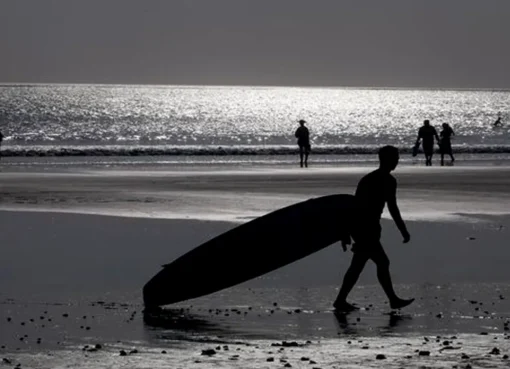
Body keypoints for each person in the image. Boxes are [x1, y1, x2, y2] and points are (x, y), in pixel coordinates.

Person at [333, 145, 414, 312]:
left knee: (359, 265)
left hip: (365, 227)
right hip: (365, 227)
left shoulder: (374, 179)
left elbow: (389, 206)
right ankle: (392, 300)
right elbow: (388, 208)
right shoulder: (381, 180)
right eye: (395, 158)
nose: (397, 161)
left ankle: (341, 300)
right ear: (386, 159)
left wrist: (347, 231)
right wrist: (403, 230)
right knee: (380, 262)